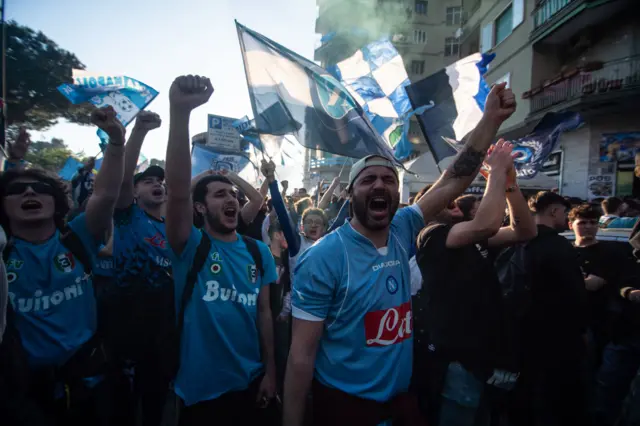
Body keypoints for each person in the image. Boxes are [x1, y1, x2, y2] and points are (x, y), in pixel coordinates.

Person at [283, 81, 517, 426]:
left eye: (388, 180)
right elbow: (301, 356)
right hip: (346, 405)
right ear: (351, 193)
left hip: (402, 401)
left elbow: (455, 178)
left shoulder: (403, 226)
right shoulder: (323, 258)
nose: (379, 185)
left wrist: (491, 121)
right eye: (368, 180)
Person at [0, 106, 126, 425]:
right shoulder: (3, 253)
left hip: (89, 387)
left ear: (57, 200)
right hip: (22, 398)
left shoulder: (79, 237)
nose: (30, 191)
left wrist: (115, 140)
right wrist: (12, 164)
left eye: (41, 188)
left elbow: (106, 193)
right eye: (17, 190)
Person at [164, 75, 278, 426]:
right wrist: (180, 113)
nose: (231, 199)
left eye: (233, 196)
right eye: (219, 195)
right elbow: (180, 191)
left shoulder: (259, 252)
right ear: (200, 209)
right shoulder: (190, 245)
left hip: (251, 383)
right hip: (202, 393)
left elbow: (264, 315)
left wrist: (271, 372)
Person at [412, 141, 537, 426]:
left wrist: (509, 185)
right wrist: (495, 172)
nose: (454, 198)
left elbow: (525, 230)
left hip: (484, 357)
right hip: (457, 360)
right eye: (442, 198)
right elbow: (487, 224)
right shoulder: (432, 235)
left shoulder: (468, 239)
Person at [508, 191, 590, 426]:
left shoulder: (513, 241)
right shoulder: (557, 246)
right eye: (565, 213)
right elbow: (574, 296)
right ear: (554, 211)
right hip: (559, 340)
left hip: (521, 338)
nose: (566, 218)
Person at [569, 204, 640, 426]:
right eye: (583, 223)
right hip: (570, 324)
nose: (588, 227)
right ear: (571, 225)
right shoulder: (565, 251)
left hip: (604, 325)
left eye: (592, 222)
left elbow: (595, 284)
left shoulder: (612, 252)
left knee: (602, 380)